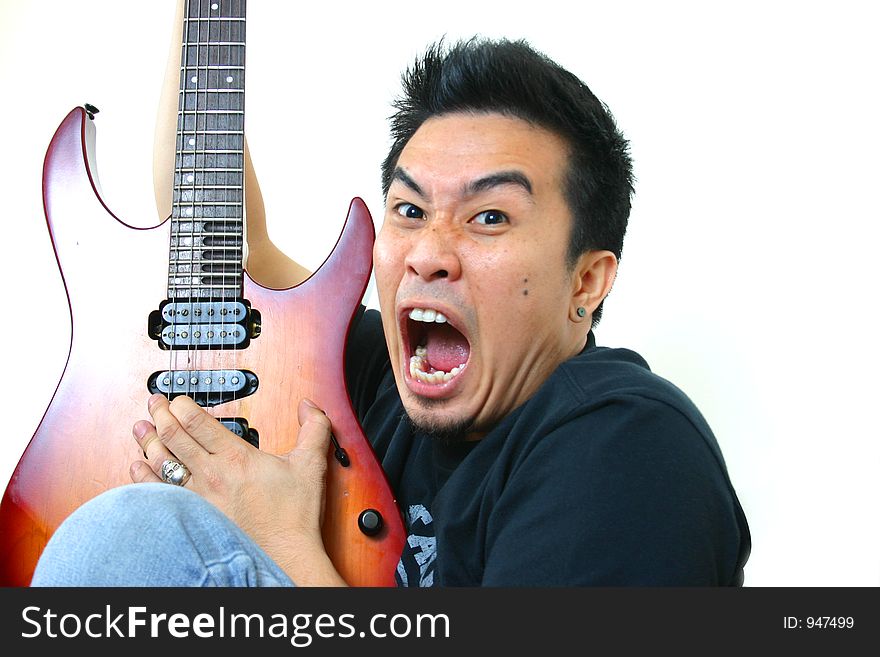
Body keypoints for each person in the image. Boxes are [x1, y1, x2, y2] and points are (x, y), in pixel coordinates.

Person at [31, 37, 750, 587]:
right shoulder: (373, 384)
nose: (428, 252)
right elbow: (226, 235)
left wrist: (281, 541)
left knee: (129, 537)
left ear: (586, 282)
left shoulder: (628, 444)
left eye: (490, 216)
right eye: (408, 209)